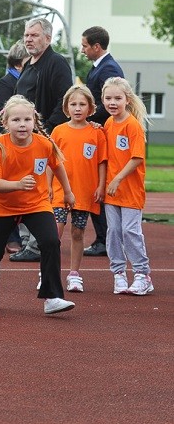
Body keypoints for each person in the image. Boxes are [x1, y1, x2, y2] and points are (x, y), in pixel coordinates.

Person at [0, 95, 76, 315]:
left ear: (34, 121)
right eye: (16, 120)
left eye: (27, 119)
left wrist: (68, 191)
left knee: (50, 241)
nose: (22, 124)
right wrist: (17, 184)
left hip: (36, 204)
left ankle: (52, 297)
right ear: (5, 123)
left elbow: (58, 167)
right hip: (2, 206)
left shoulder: (44, 144)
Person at [10, 17, 73, 263]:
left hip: (41, 139)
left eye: (34, 35)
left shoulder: (56, 63)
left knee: (40, 190)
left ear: (47, 38)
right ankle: (27, 240)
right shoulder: (29, 65)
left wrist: (45, 129)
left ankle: (36, 245)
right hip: (23, 140)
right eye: (26, 35)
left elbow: (63, 99)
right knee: (24, 188)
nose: (28, 39)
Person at [48, 85, 108, 293]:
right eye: (73, 104)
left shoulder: (97, 133)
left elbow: (102, 162)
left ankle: (74, 274)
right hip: (59, 191)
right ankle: (48, 272)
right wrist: (47, 185)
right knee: (55, 231)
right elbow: (51, 161)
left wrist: (101, 185)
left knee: (78, 232)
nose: (77, 108)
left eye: (82, 104)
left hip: (84, 192)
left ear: (91, 108)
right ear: (66, 108)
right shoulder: (58, 131)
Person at [101, 77, 153, 296]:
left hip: (129, 189)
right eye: (108, 98)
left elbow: (136, 158)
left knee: (130, 231)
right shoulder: (108, 124)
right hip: (111, 192)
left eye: (117, 98)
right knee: (113, 231)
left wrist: (117, 179)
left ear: (127, 99)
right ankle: (119, 274)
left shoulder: (133, 125)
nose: (112, 102)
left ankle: (142, 274)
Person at [80, 26, 125, 258]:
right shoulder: (99, 68)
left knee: (99, 185)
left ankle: (105, 239)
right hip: (99, 132)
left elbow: (110, 105)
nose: (82, 50)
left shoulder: (109, 69)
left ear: (97, 47)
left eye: (85, 46)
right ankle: (105, 238)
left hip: (105, 135)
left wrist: (87, 119)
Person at [0, 40, 30, 254]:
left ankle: (26, 235)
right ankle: (11, 236)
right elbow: (1, 115)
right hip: (9, 144)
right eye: (28, 62)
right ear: (18, 64)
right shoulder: (5, 83)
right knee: (8, 189)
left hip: (27, 144)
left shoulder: (28, 81)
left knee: (26, 188)